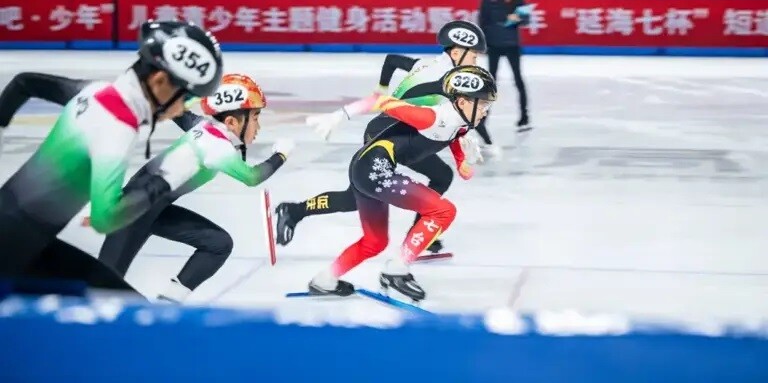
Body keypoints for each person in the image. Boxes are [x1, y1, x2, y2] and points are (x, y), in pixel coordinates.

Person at [0, 20, 224, 287]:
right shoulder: (119, 127)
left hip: (18, 229)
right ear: (160, 80)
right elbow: (104, 219)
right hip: (15, 248)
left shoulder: (95, 90)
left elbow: (24, 83)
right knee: (113, 312)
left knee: (112, 299)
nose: (181, 111)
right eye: (186, 98)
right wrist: (165, 181)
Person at [275, 20, 487, 253]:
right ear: (457, 52)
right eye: (474, 57)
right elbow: (436, 111)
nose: (477, 62)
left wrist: (382, 89)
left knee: (441, 175)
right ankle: (293, 211)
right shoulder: (445, 79)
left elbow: (392, 60)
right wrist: (379, 101)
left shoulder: (426, 64)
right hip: (388, 133)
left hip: (399, 130)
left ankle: (423, 231)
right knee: (354, 199)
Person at [95, 74, 293, 303]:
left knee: (218, 244)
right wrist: (281, 155)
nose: (258, 127)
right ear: (230, 122)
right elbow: (252, 177)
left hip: (152, 208)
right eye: (256, 117)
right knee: (102, 289)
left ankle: (169, 302)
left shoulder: (205, 127)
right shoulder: (217, 147)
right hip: (132, 211)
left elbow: (179, 114)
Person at [306, 65, 497, 301]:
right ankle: (395, 270)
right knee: (443, 211)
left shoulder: (460, 120)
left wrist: (462, 163)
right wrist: (340, 115)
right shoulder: (432, 117)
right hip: (373, 169)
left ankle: (324, 281)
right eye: (484, 104)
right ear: (463, 101)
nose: (486, 111)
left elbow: (456, 135)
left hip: (367, 169)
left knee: (374, 242)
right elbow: (380, 101)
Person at [478, 0, 531, 159]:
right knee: (490, 82)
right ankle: (483, 116)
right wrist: (481, 44)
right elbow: (482, 21)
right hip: (493, 44)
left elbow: (526, 21)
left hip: (511, 44)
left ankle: (524, 116)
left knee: (518, 79)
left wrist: (517, 18)